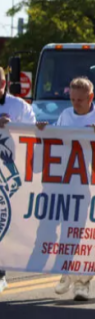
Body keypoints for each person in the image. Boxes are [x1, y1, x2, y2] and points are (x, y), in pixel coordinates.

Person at [37, 77, 95, 301]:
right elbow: (59, 144)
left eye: (80, 100)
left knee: (84, 234)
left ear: (91, 97)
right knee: (67, 231)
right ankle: (66, 271)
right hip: (68, 183)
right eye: (72, 99)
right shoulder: (65, 115)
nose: (75, 104)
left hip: (93, 185)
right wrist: (44, 131)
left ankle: (83, 282)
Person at [0, 67, 37, 293]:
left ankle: (1, 272)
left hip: (9, 176)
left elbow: (34, 134)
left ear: (3, 84)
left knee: (5, 225)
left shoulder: (20, 107)